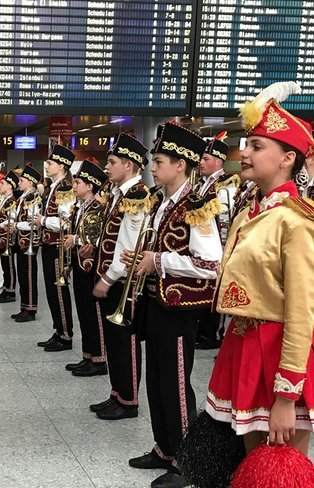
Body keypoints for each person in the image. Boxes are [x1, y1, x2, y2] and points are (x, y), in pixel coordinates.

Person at [206, 82, 314, 458]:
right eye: (246, 144)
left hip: (278, 354)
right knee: (252, 466)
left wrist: (287, 394)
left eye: (257, 146)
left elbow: (302, 311)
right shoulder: (251, 210)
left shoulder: (295, 221)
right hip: (243, 345)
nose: (244, 153)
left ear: (287, 158)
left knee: (283, 469)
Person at [126, 121, 222, 488]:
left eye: (160, 160)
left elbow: (211, 264)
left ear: (181, 164)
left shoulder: (196, 205)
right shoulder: (162, 202)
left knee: (178, 384)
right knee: (156, 379)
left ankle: (187, 461)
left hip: (179, 308)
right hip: (156, 303)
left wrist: (159, 261)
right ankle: (164, 448)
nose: (153, 167)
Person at [91, 133, 150, 420]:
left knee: (124, 341)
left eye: (112, 162)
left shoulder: (136, 196)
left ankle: (128, 400)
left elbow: (127, 247)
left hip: (121, 283)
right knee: (114, 342)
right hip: (112, 279)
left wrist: (108, 278)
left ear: (129, 165)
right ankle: (117, 393)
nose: (107, 166)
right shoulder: (118, 194)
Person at [62, 160, 109, 377]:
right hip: (79, 264)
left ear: (90, 186)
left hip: (90, 267)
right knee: (82, 311)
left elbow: (98, 236)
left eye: (78, 182)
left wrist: (76, 238)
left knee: (93, 313)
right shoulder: (78, 207)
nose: (74, 186)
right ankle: (87, 355)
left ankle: (99, 359)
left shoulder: (98, 208)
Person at [194, 133, 239, 350]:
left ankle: (212, 334)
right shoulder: (202, 184)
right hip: (203, 242)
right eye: (201, 159)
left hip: (218, 246)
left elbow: (225, 219)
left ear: (219, 161)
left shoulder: (225, 184)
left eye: (206, 159)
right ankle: (202, 331)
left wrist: (223, 250)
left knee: (215, 290)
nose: (201, 163)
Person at [35, 145, 77, 352]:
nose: (47, 166)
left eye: (50, 163)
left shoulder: (65, 189)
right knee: (51, 291)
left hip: (58, 248)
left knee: (58, 291)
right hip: (48, 245)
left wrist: (42, 220)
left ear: (61, 166)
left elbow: (65, 222)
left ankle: (66, 334)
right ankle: (58, 329)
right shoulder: (52, 187)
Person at [11, 164, 42, 322]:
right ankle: (24, 306)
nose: (19, 183)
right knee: (23, 275)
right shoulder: (23, 197)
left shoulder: (33, 198)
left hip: (28, 241)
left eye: (22, 180)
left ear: (30, 182)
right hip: (21, 241)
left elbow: (32, 222)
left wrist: (16, 225)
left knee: (29, 275)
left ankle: (30, 309)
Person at [0, 170, 18, 302]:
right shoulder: (3, 200)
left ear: (10, 186)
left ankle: (11, 291)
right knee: (4, 263)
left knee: (9, 265)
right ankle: (6, 288)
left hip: (8, 238)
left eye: (2, 183)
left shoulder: (12, 201)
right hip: (1, 237)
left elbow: (12, 219)